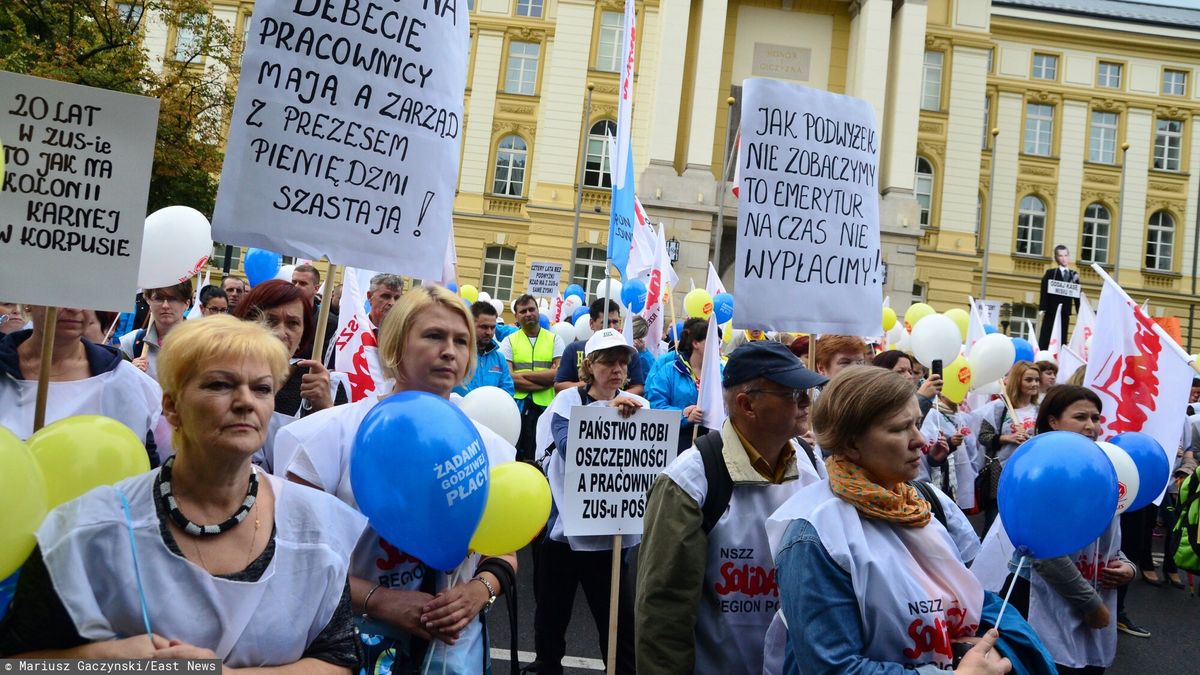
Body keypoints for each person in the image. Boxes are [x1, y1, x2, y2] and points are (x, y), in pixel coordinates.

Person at [0, 316, 366, 668]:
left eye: (261, 388)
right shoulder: (87, 529)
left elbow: (337, 659)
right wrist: (103, 659)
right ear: (172, 407)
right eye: (219, 385)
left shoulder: (314, 526)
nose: (245, 402)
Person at [280, 285, 519, 673]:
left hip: (451, 654)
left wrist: (478, 592)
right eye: (433, 336)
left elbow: (503, 550)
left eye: (462, 340)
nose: (450, 351)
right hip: (343, 648)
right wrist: (378, 600)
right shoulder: (329, 436)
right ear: (395, 346)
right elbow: (296, 561)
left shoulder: (489, 447)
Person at [769, 366, 1030, 675]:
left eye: (917, 424)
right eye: (899, 429)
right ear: (851, 444)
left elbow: (966, 597)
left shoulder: (923, 503)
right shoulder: (814, 535)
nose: (919, 440)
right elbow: (832, 667)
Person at [635, 341, 829, 675]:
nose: (804, 403)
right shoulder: (688, 481)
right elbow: (664, 613)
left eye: (806, 393)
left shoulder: (813, 464)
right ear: (747, 405)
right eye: (792, 395)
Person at [974, 385, 1134, 674]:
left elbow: (1103, 533)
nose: (1091, 426)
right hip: (1037, 594)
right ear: (1053, 421)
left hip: (1086, 591)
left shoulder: (1099, 465)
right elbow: (1043, 549)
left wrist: (1127, 566)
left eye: (1096, 418)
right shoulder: (1041, 466)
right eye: (1081, 417)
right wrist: (1091, 604)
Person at [533, 328, 648, 674]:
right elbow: (572, 449)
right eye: (609, 361)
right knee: (551, 623)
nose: (617, 369)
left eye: (623, 363)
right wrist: (609, 416)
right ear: (590, 366)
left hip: (610, 539)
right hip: (563, 537)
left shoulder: (640, 406)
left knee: (619, 631)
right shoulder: (566, 403)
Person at [0, 306, 162, 457]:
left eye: (83, 296)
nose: (74, 308)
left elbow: (143, 464)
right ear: (29, 302)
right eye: (61, 293)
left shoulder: (124, 379)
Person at [232, 280, 345, 474]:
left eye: (293, 323)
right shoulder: (222, 380)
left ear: (304, 332)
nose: (281, 333)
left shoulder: (326, 386)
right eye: (270, 321)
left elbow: (338, 465)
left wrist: (325, 410)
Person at [977, 361, 1040, 528]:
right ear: (1017, 380)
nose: (1034, 384)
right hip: (1001, 470)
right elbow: (983, 436)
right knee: (995, 519)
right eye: (1029, 380)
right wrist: (1008, 438)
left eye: (1036, 380)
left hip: (1029, 470)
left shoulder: (1039, 410)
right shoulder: (999, 408)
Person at [502, 293, 565, 461]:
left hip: (546, 408)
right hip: (518, 407)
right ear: (516, 316)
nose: (528, 313)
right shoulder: (509, 341)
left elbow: (559, 374)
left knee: (541, 455)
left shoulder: (555, 339)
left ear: (538, 311)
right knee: (515, 454)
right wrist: (546, 381)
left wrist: (521, 376)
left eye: (532, 309)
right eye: (523, 311)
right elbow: (509, 378)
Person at [646, 317, 720, 452]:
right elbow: (655, 406)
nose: (717, 346)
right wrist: (684, 415)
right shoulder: (669, 370)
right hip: (677, 443)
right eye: (711, 341)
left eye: (718, 342)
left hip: (712, 444)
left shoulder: (721, 371)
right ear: (696, 343)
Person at [555, 299, 645, 395]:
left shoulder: (629, 351)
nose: (611, 327)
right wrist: (593, 386)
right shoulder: (573, 349)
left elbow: (638, 387)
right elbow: (559, 386)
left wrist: (616, 399)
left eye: (615, 322)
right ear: (591, 323)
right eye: (606, 322)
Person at [118, 280, 192, 380]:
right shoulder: (131, 343)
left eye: (173, 299)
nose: (165, 305)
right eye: (159, 298)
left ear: (187, 303)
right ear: (148, 300)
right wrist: (128, 374)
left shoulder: (202, 345)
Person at [454, 300, 514, 396]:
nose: (489, 332)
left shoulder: (499, 359)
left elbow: (507, 392)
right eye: (484, 327)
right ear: (470, 325)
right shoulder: (455, 354)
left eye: (492, 327)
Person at [1038, 245, 1081, 350]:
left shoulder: (1073, 275)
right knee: (1047, 335)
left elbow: (1077, 293)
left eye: (1066, 255)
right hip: (1051, 310)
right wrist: (1043, 307)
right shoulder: (1051, 273)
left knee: (1062, 337)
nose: (1064, 258)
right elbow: (1044, 289)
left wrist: (1079, 310)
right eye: (1061, 256)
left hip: (1065, 312)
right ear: (1056, 258)